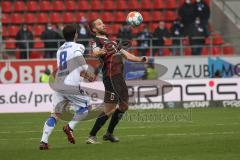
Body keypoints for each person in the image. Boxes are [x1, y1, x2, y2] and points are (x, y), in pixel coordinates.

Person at [86, 18, 148, 144]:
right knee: (110, 109)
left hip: (119, 77)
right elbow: (95, 51)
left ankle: (109, 133)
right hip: (110, 77)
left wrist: (140, 59)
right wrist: (99, 52)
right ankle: (92, 136)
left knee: (124, 106)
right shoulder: (95, 40)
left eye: (102, 22)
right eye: (99, 23)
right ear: (93, 29)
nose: (103, 24)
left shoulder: (113, 42)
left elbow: (127, 55)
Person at [39, 24, 95, 150]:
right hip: (71, 85)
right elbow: (79, 59)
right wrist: (87, 72)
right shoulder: (78, 46)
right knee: (87, 106)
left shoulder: (60, 50)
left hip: (59, 84)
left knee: (55, 114)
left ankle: (44, 141)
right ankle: (69, 127)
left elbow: (62, 68)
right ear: (76, 35)